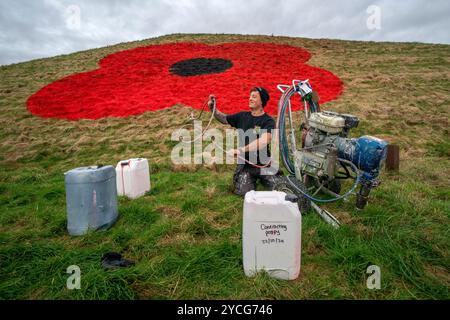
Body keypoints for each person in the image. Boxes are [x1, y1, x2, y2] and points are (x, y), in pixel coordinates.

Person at [207, 87, 281, 196]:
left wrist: (240, 150)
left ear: (262, 101)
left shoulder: (268, 121)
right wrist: (213, 108)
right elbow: (224, 119)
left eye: (254, 97)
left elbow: (264, 140)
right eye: (250, 96)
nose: (250, 99)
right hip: (245, 165)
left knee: (280, 188)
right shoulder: (242, 116)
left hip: (264, 164)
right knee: (245, 193)